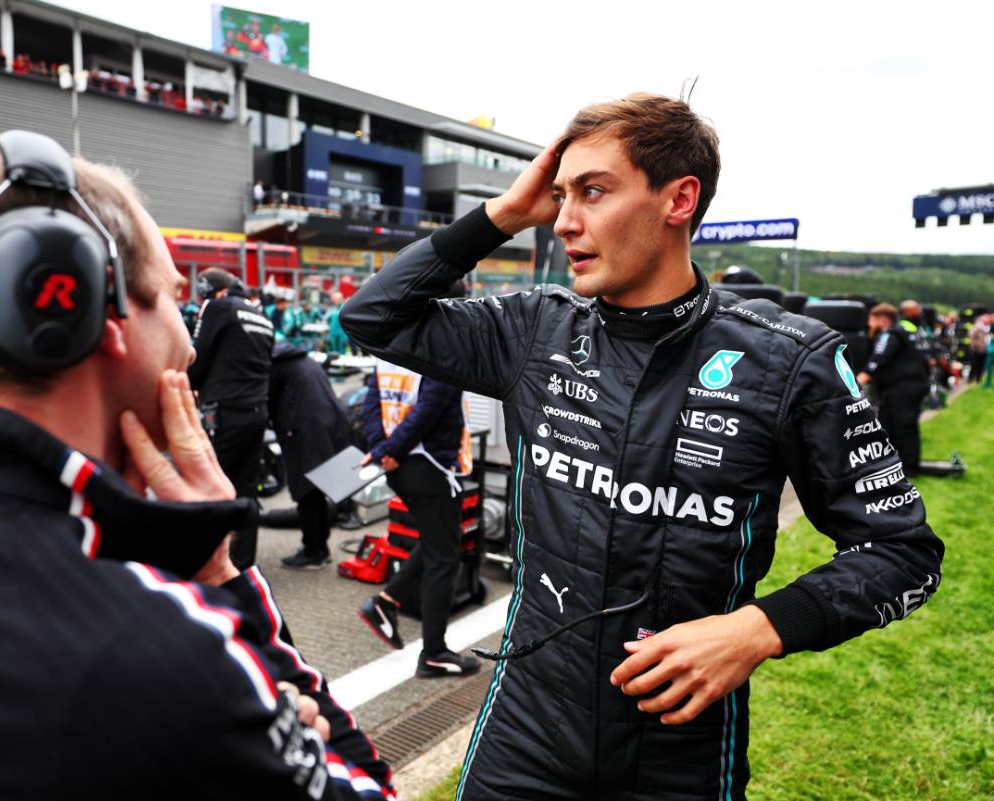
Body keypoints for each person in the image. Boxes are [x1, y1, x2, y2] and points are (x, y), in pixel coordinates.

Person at [341, 93, 943, 800]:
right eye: (559, 195)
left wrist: (760, 628)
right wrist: (503, 213)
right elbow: (372, 317)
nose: (564, 221)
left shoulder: (788, 361)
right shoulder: (536, 330)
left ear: (679, 199)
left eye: (593, 192)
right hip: (528, 723)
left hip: (678, 744)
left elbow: (902, 552)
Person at [0, 130, 394, 800]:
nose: (189, 348)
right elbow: (374, 787)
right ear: (80, 307)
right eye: (173, 299)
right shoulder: (156, 656)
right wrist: (219, 577)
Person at [356, 300, 478, 679]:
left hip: (401, 466)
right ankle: (435, 653)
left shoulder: (389, 345)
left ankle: (387, 600)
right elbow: (431, 408)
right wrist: (389, 450)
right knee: (444, 558)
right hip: (431, 467)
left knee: (438, 540)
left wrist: (383, 450)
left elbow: (371, 402)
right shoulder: (440, 348)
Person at [188, 267, 275, 569]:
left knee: (208, 485)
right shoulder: (261, 316)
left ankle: (205, 561)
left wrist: (187, 384)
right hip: (256, 413)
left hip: (224, 413)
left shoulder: (218, 307)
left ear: (214, 292)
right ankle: (242, 562)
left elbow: (195, 358)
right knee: (246, 489)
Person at [269, 343, 351, 569]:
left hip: (304, 431)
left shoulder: (276, 368)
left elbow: (267, 400)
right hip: (328, 425)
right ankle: (320, 548)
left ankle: (313, 551)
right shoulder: (305, 361)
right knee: (316, 489)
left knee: (305, 493)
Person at [858, 303, 930, 475]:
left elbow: (877, 361)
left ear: (882, 320)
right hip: (911, 385)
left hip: (903, 388)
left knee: (903, 427)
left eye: (871, 319)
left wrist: (854, 384)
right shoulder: (908, 331)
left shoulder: (891, 333)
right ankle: (888, 465)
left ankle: (910, 469)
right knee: (888, 426)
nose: (869, 323)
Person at [325, 290, 351, 354]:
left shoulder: (344, 308)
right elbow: (327, 320)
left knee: (341, 352)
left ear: (341, 299)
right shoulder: (333, 309)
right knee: (333, 351)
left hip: (342, 334)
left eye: (337, 299)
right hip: (333, 333)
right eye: (334, 299)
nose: (335, 301)